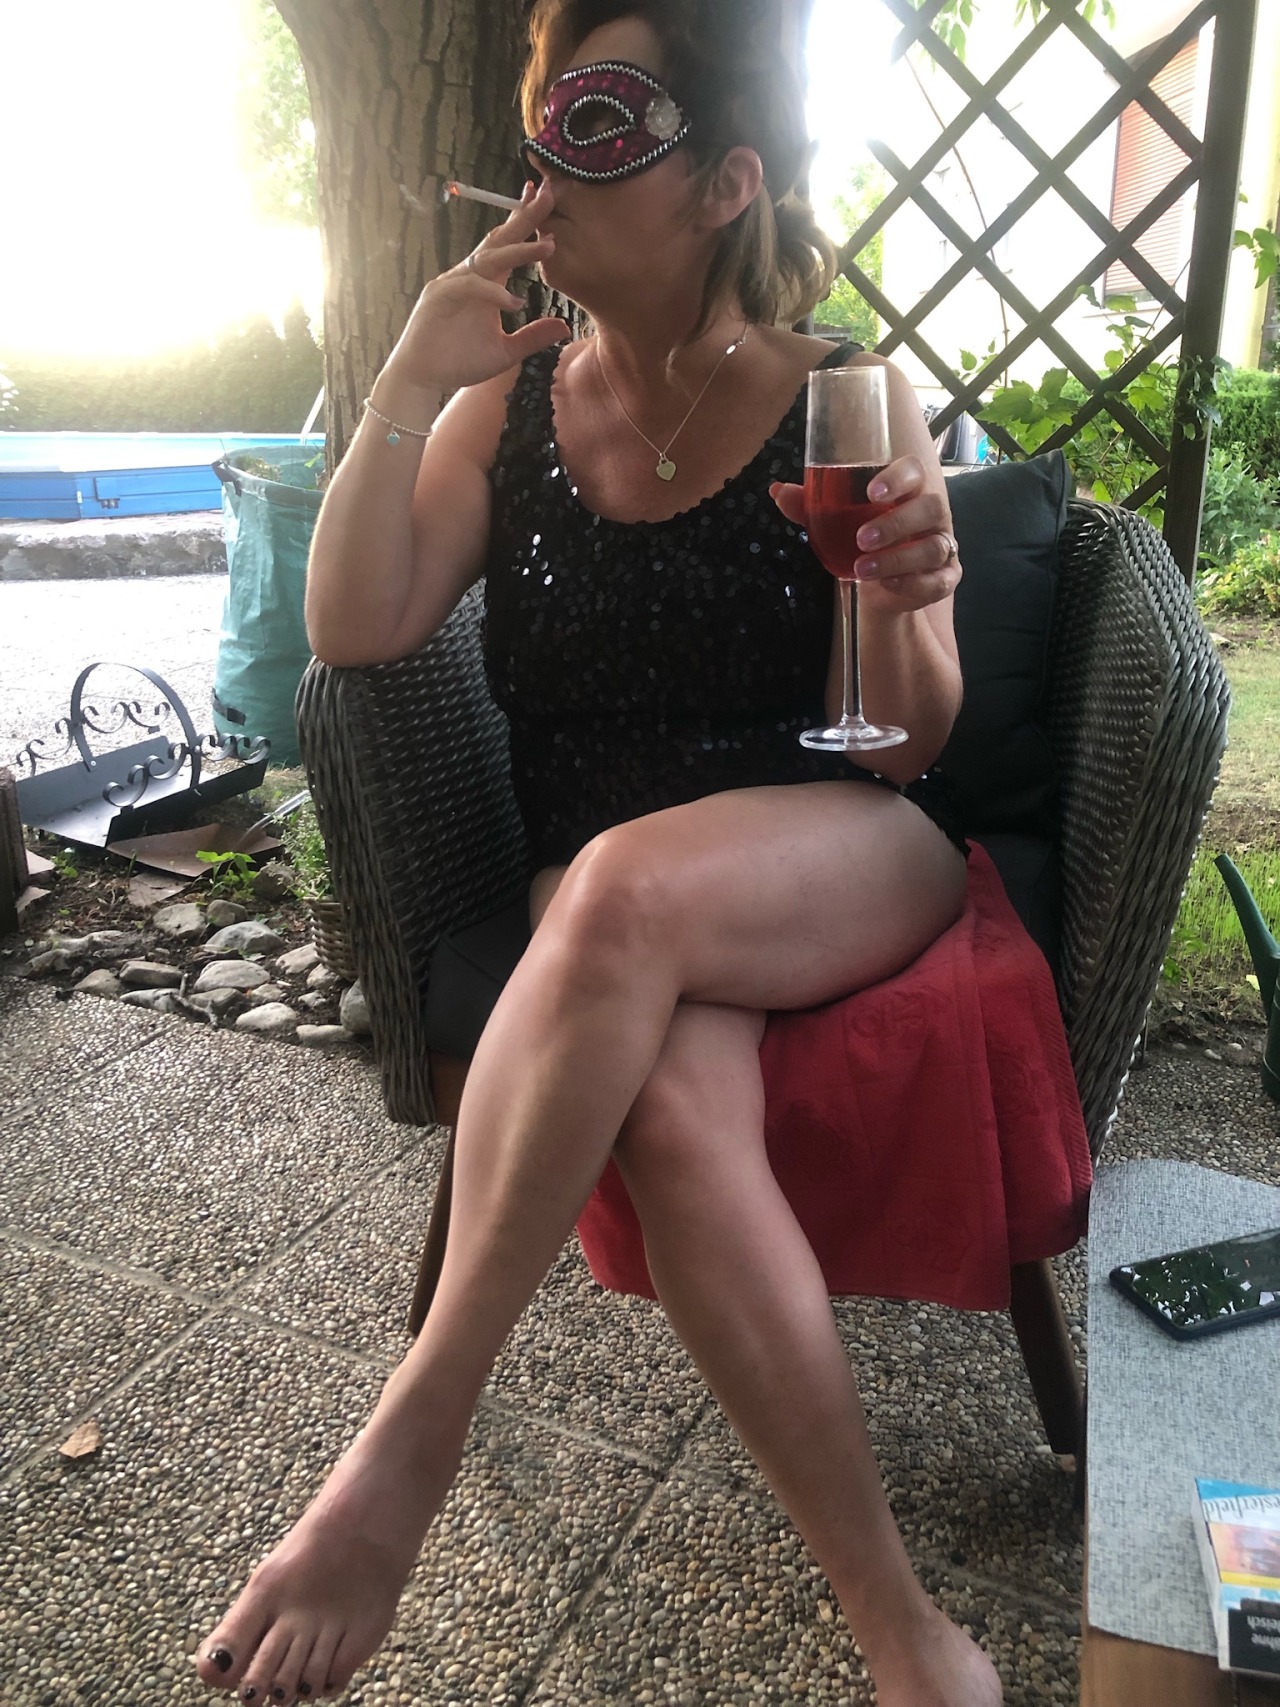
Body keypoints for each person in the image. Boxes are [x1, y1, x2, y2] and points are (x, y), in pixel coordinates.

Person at [198, 2, 1001, 1703]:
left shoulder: (842, 396)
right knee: (677, 1098)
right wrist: (410, 381)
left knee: (630, 885)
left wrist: (909, 591)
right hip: (612, 897)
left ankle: (406, 1445)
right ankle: (903, 1632)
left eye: (607, 121)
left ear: (725, 183)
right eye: (546, 118)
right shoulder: (509, 407)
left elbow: (904, 739)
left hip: (839, 843)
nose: (551, 163)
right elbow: (352, 628)